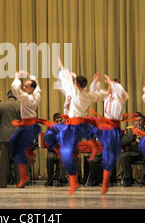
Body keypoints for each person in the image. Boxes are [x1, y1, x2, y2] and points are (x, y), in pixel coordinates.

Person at [45, 58, 108, 195]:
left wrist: (63, 68)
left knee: (66, 153)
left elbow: (68, 81)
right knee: (50, 133)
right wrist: (94, 83)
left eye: (74, 83)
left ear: (76, 84)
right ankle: (61, 149)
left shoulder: (75, 92)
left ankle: (74, 181)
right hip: (72, 124)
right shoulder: (84, 95)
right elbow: (96, 94)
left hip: (74, 126)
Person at [91, 75, 132, 195]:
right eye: (109, 86)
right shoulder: (107, 96)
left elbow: (120, 90)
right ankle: (104, 181)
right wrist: (95, 81)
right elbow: (95, 92)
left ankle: (105, 182)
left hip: (113, 129)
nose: (109, 88)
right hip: (105, 127)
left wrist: (111, 82)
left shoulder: (121, 97)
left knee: (110, 156)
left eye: (111, 86)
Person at [9, 71, 43, 188]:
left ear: (31, 89)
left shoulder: (27, 98)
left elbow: (15, 90)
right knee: (13, 141)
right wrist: (30, 76)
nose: (24, 87)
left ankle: (24, 176)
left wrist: (17, 77)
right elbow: (37, 85)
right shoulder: (37, 94)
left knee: (17, 150)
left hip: (28, 127)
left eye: (26, 86)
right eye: (24, 85)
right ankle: (29, 152)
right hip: (29, 126)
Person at [0, 90, 21, 188]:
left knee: (4, 161)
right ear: (16, 97)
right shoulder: (20, 106)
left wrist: (1, 126)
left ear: (7, 97)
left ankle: (3, 183)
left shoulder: (1, 105)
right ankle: (20, 183)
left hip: (5, 135)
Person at [119, 113, 145, 187]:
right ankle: (128, 179)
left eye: (140, 120)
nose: (138, 122)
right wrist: (133, 135)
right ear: (133, 123)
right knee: (123, 157)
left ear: (144, 122)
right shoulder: (129, 131)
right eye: (136, 121)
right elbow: (124, 143)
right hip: (132, 153)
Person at [45, 113, 68, 187]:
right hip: (53, 151)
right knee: (50, 158)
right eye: (57, 121)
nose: (59, 123)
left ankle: (61, 179)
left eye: (60, 121)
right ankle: (50, 179)